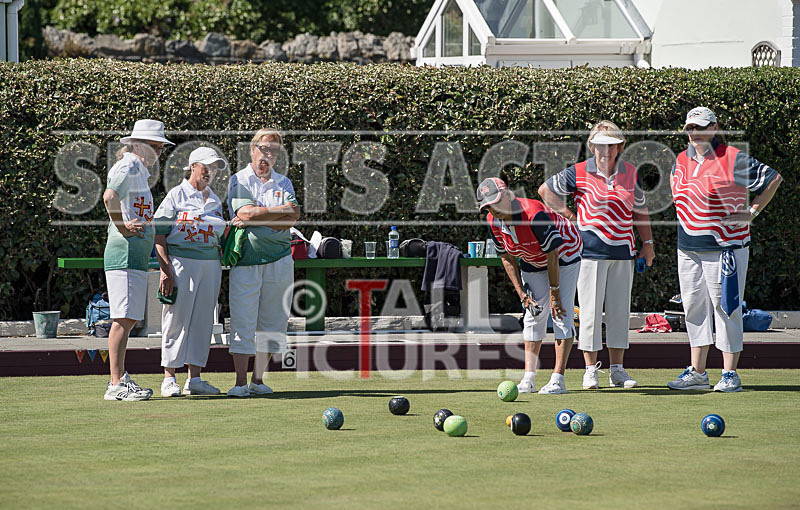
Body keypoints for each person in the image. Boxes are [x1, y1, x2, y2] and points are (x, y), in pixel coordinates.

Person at [668, 107, 782, 392]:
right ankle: (697, 372)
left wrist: (751, 212)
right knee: (693, 308)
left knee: (726, 308)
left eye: (701, 127)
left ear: (715, 127)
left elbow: (773, 179)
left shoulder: (732, 157)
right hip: (689, 247)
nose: (695, 133)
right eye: (690, 128)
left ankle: (730, 374)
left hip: (725, 249)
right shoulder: (681, 159)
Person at [539, 121, 654, 390]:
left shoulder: (630, 173)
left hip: (623, 252)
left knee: (618, 312)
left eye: (611, 145)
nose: (606, 150)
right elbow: (545, 191)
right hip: (588, 252)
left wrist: (647, 243)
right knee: (589, 312)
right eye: (600, 145)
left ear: (619, 146)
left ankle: (617, 370)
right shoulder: (578, 172)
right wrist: (569, 215)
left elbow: (641, 210)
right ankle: (590, 370)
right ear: (592, 146)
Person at [478, 177, 583, 394]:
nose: (494, 209)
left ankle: (558, 380)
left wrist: (555, 293)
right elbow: (506, 257)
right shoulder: (492, 220)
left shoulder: (534, 215)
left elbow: (552, 255)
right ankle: (529, 378)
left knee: (560, 312)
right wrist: (521, 294)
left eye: (496, 202)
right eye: (489, 205)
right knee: (533, 314)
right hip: (531, 258)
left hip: (564, 255)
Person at [102, 119, 173, 401]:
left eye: (160, 147)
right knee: (124, 318)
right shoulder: (128, 166)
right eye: (154, 146)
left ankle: (119, 380)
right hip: (125, 251)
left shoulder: (138, 171)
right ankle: (115, 383)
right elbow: (109, 197)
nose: (158, 152)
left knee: (128, 318)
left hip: (135, 253)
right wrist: (122, 227)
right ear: (138, 144)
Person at [226, 129, 300, 397]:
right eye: (263, 148)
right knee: (244, 321)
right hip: (246, 260)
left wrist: (259, 215)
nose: (268, 154)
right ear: (252, 149)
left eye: (274, 150)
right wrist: (275, 214)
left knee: (274, 321)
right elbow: (244, 212)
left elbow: (293, 217)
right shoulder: (239, 180)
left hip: (280, 259)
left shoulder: (284, 182)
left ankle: (258, 380)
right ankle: (239, 383)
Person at [153, 147, 228, 397]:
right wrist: (165, 271)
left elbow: (219, 239)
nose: (211, 171)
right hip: (181, 263)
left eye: (215, 167)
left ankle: (194, 379)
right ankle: (169, 378)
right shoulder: (176, 195)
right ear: (193, 166)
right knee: (176, 319)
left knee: (202, 321)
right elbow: (159, 234)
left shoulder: (215, 200)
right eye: (207, 166)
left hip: (210, 266)